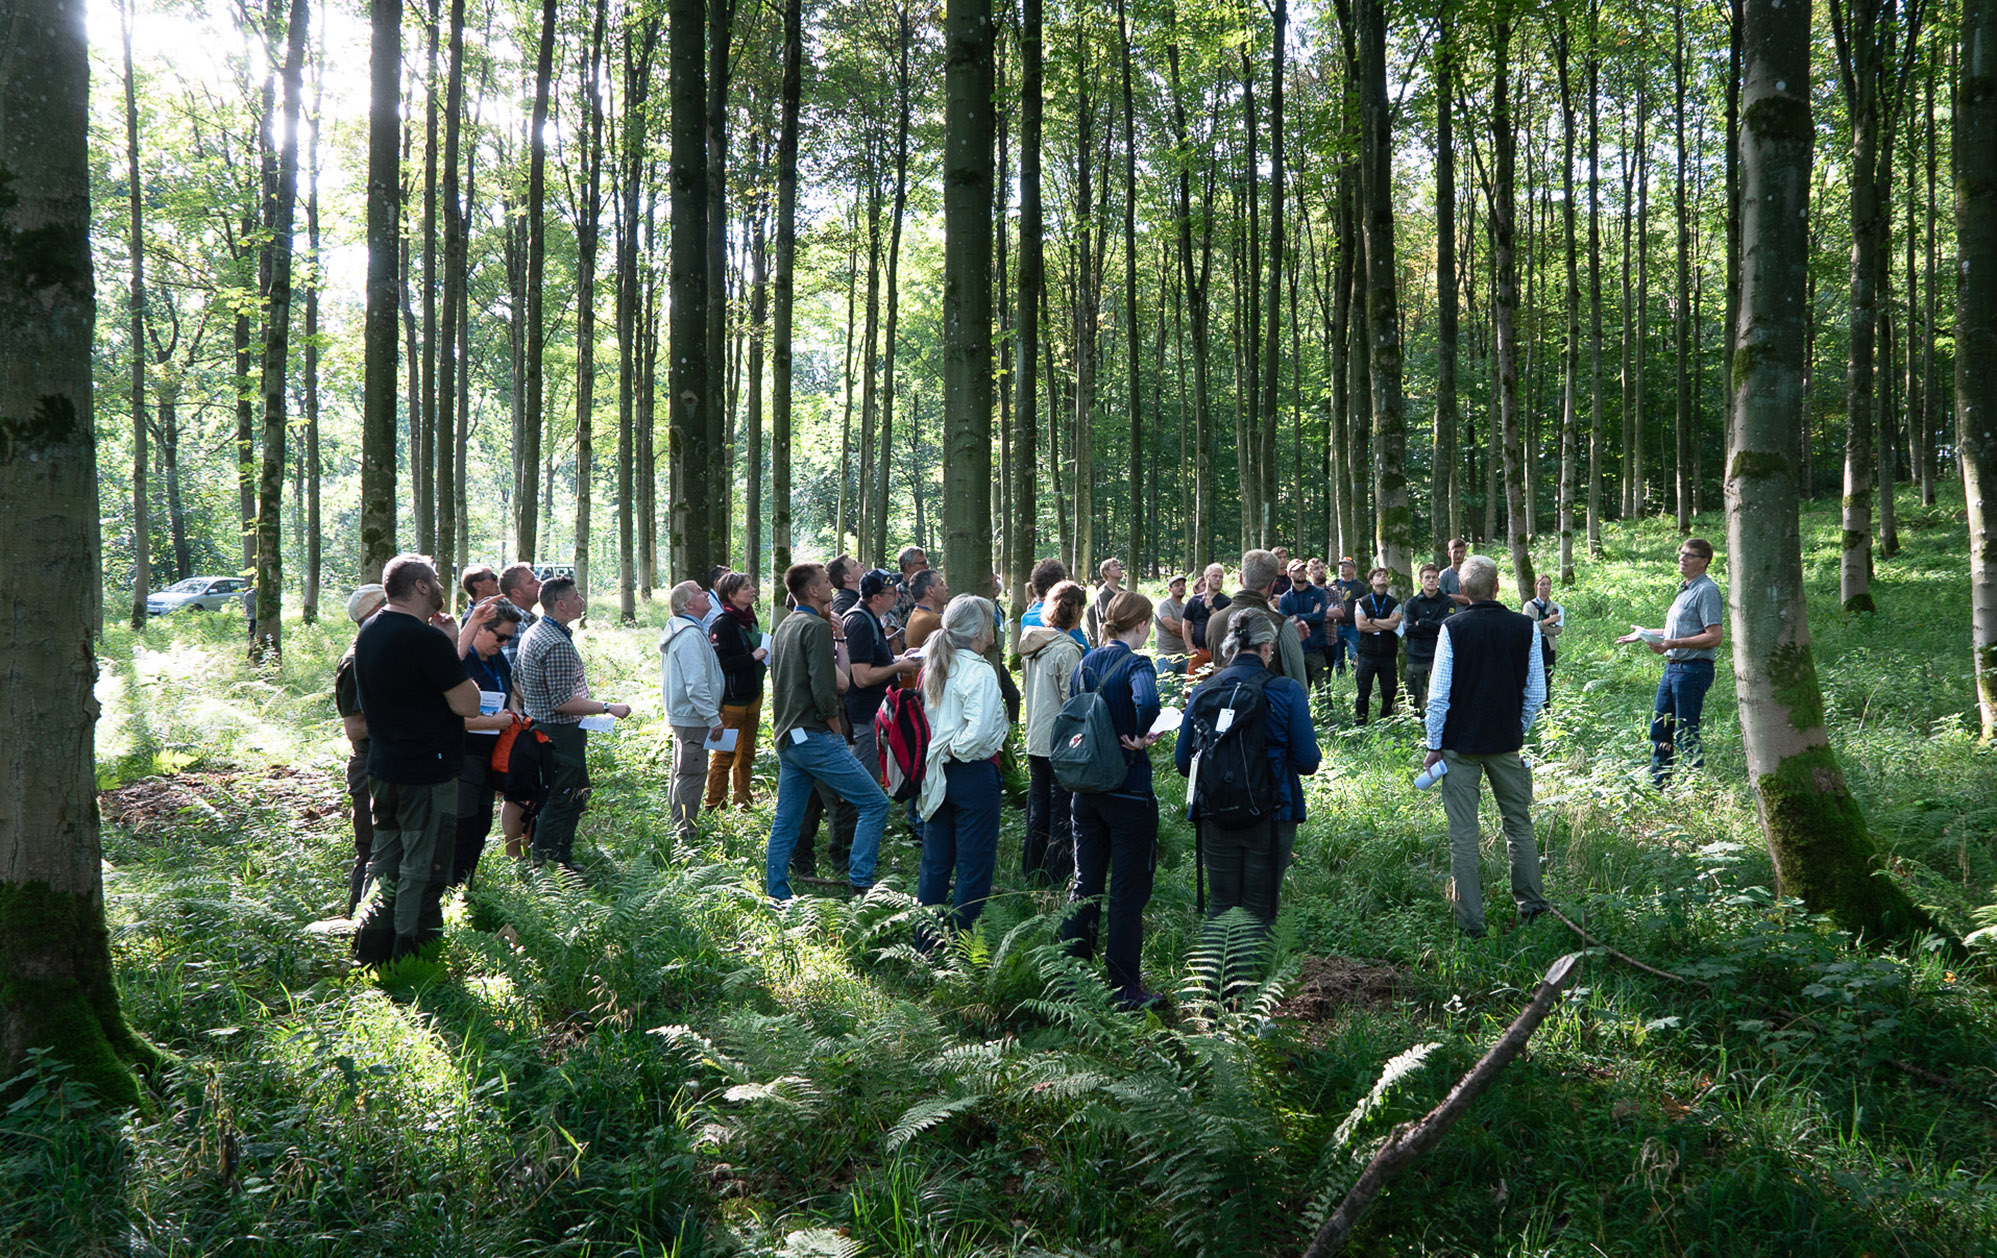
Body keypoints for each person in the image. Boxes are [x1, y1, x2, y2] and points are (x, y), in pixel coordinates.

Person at [350, 555, 481, 963]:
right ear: (421, 586)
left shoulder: (369, 631)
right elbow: (469, 703)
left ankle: (370, 953)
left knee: (384, 863)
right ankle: (413, 960)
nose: (442, 585)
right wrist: (448, 643)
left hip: (384, 769)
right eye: (437, 579)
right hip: (425, 773)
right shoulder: (425, 640)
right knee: (423, 871)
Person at [1176, 611, 1320, 975]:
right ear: (1268, 647)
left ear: (1231, 645)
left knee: (1221, 906)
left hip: (1214, 814)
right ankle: (1251, 1006)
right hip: (1273, 813)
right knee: (1259, 909)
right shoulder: (1287, 691)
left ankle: (1212, 995)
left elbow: (1182, 761)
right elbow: (1307, 761)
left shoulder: (1205, 689)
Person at [1420, 554, 1550, 938]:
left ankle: (1472, 925)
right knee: (1519, 826)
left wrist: (1433, 744)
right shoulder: (1526, 627)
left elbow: (1439, 695)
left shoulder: (1452, 628)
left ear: (1461, 590)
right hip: (1506, 744)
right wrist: (1516, 728)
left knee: (1463, 834)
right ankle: (1532, 909)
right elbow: (1537, 692)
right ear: (1498, 587)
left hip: (1459, 746)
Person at [1058, 591, 1166, 1010]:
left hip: (1085, 790)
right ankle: (1124, 989)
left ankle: (1069, 977)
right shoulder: (1138, 664)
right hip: (1128, 790)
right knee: (1125, 892)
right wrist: (1141, 735)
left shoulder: (1084, 663)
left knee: (1085, 884)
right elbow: (1149, 702)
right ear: (1141, 625)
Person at [765, 562, 891, 898]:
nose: (830, 588)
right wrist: (835, 730)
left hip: (789, 737)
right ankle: (861, 882)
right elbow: (827, 688)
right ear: (811, 590)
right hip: (816, 736)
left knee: (787, 820)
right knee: (875, 804)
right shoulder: (814, 628)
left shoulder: (785, 627)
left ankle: (777, 893)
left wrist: (839, 636)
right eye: (824, 582)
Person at [516, 576, 632, 867]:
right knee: (561, 796)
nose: (582, 601)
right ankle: (547, 864)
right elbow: (563, 702)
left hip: (545, 729)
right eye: (577, 596)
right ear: (562, 604)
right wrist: (608, 707)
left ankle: (560, 857)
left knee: (577, 794)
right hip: (558, 734)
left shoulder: (534, 632)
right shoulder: (556, 644)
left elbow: (516, 680)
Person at [915, 595, 1012, 936]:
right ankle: (961, 948)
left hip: (936, 772)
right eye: (991, 624)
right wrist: (955, 751)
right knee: (974, 866)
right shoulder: (979, 671)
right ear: (980, 630)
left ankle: (925, 942)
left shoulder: (936, 664)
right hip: (970, 774)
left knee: (935, 863)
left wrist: (943, 752)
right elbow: (979, 732)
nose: (995, 632)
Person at [1617, 538, 1725, 788]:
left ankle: (1693, 787)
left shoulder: (1706, 591)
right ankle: (1660, 785)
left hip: (1693, 670)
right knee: (1661, 727)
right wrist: (1644, 634)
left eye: (1690, 555)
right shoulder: (1685, 589)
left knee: (1685, 730)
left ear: (1705, 561)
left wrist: (1671, 644)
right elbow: (1676, 630)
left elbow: (1714, 636)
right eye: (1682, 553)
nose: (1682, 558)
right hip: (1673, 669)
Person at [449, 597, 525, 887]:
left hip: (490, 759)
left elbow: (509, 698)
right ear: (480, 629)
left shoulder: (497, 660)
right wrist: (491, 722)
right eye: (500, 636)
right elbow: (448, 717)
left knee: (481, 824)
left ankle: (465, 888)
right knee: (463, 826)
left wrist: (514, 716)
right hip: (464, 758)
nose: (504, 643)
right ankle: (451, 890)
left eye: (509, 638)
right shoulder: (461, 661)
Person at [1018, 581, 1088, 888]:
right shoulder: (1065, 651)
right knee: (1061, 811)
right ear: (1074, 611)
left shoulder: (1034, 645)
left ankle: (1032, 872)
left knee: (1038, 809)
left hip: (1036, 739)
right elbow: (1073, 703)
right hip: (1059, 743)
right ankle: (1057, 877)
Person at [335, 583, 388, 916]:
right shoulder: (357, 661)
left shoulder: (383, 655)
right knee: (371, 850)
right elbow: (355, 726)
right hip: (370, 765)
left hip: (389, 762)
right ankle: (357, 923)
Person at [661, 581, 726, 848]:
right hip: (694, 718)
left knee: (683, 772)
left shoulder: (689, 630)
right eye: (700, 592)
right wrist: (713, 718)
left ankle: (681, 831)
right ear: (689, 605)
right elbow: (695, 685)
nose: (706, 594)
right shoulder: (688, 635)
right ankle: (685, 839)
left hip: (688, 717)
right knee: (691, 776)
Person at [844, 569, 923, 787]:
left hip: (871, 715)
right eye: (891, 593)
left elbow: (873, 661)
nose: (897, 597)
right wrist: (898, 666)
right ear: (877, 598)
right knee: (862, 784)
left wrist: (900, 658)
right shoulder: (860, 623)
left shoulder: (871, 619)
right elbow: (861, 676)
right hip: (863, 717)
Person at [706, 573, 770, 808]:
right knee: (724, 755)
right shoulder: (722, 623)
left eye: (751, 585)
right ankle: (714, 804)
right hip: (732, 702)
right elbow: (719, 663)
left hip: (753, 696)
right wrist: (750, 658)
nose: (752, 590)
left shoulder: (750, 620)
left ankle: (742, 800)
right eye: (746, 587)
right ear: (731, 595)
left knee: (746, 753)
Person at [1204, 549, 1309, 682]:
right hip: (1265, 701)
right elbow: (1299, 686)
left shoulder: (1214, 620)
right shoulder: (1282, 625)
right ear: (1272, 585)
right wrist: (1289, 639)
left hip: (1222, 701)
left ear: (1241, 578)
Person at [1350, 566, 1404, 724]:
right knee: (1363, 691)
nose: (1383, 577)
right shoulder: (1362, 602)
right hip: (1367, 654)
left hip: (1388, 654)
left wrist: (1372, 620)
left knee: (1389, 691)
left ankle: (1386, 721)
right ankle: (1360, 722)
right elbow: (1361, 626)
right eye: (1379, 575)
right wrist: (1385, 624)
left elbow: (1395, 624)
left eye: (1385, 575)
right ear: (1371, 581)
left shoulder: (1394, 603)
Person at [1401, 562, 1456, 713]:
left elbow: (1445, 627)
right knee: (1413, 696)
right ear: (1421, 580)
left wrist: (1422, 623)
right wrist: (1433, 627)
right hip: (1415, 656)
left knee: (1441, 695)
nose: (1431, 580)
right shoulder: (1412, 603)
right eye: (1427, 577)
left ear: (1439, 580)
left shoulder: (1447, 602)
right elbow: (1408, 629)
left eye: (1434, 577)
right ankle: (1415, 725)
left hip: (1438, 656)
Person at [1277, 559, 1332, 687]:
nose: (1301, 573)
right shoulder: (1285, 598)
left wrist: (1297, 616)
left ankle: (1325, 708)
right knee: (1299, 687)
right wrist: (1311, 615)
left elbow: (1320, 616)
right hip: (1295, 649)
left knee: (1323, 688)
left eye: (1303, 569)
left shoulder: (1318, 592)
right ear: (1289, 574)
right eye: (1297, 570)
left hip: (1316, 648)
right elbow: (1285, 624)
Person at [901, 569, 951, 678]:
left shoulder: (918, 613)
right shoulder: (932, 621)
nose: (947, 588)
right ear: (930, 591)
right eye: (942, 584)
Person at [1523, 574, 1564, 701]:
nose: (1546, 587)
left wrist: (1539, 626)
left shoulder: (1557, 607)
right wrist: (1547, 622)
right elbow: (1527, 627)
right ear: (1536, 586)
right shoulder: (1529, 606)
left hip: (1549, 647)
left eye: (1548, 584)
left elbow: (1558, 629)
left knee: (1547, 677)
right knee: (1532, 677)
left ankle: (1547, 707)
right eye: (1542, 584)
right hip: (1534, 646)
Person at [1183, 562, 1230, 671]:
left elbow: (1224, 626)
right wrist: (1190, 648)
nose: (1218, 579)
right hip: (1199, 652)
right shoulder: (1194, 601)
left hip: (1219, 653)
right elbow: (1186, 626)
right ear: (1207, 577)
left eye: (1221, 577)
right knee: (1193, 685)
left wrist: (1211, 608)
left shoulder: (1227, 602)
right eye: (1215, 576)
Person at [497, 563, 542, 669]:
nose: (539, 583)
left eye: (536, 578)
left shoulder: (530, 619)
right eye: (531, 582)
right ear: (516, 593)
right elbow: (512, 671)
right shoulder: (513, 623)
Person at [1328, 558, 1365, 675]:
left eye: (1346, 566)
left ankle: (1357, 680)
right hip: (1336, 626)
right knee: (1337, 658)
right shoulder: (1335, 584)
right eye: (1341, 565)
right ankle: (1340, 681)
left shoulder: (1359, 586)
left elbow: (1365, 606)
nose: (1342, 568)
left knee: (1354, 656)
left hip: (1352, 626)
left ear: (1353, 569)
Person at [889, 546, 930, 646]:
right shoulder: (896, 595)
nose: (927, 566)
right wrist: (902, 659)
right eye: (922, 563)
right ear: (908, 567)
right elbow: (890, 633)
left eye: (926, 562)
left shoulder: (928, 591)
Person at [1153, 574, 1190, 675]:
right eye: (1177, 585)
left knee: (1184, 689)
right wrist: (1188, 633)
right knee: (1165, 689)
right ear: (1170, 589)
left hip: (1185, 656)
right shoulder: (1163, 605)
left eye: (1183, 585)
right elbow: (1173, 627)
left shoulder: (1186, 607)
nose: (1181, 587)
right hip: (1166, 656)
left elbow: (1192, 627)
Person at [1084, 557, 1125, 646]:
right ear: (1107, 572)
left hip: (1124, 637)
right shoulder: (1104, 593)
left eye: (1118, 565)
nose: (1119, 568)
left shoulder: (1124, 592)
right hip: (1109, 640)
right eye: (1114, 566)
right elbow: (1108, 616)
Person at [1438, 539, 1472, 607]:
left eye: (1461, 552)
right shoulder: (1444, 575)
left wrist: (1451, 596)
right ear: (1449, 553)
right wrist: (1463, 599)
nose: (1459, 555)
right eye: (1456, 552)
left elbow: (1474, 599)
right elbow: (1441, 600)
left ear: (1465, 553)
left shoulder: (1471, 573)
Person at [700, 565, 730, 632]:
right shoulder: (706, 602)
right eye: (728, 580)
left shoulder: (729, 601)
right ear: (716, 582)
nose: (733, 583)